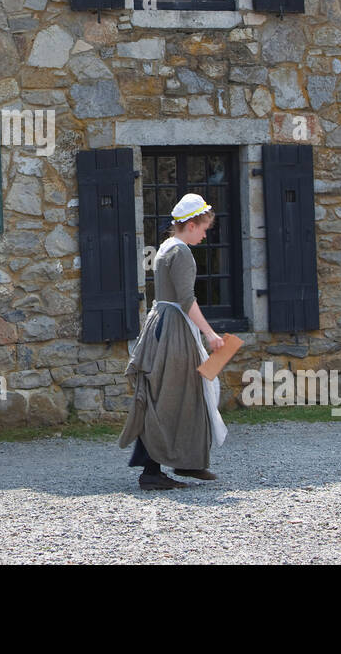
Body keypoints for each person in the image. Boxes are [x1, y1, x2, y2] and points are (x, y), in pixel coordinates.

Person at [118, 193, 229, 490]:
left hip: (165, 324)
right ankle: (152, 471)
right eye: (204, 228)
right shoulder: (179, 252)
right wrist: (210, 333)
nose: (206, 234)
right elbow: (186, 300)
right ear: (191, 225)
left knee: (183, 394)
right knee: (170, 397)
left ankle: (187, 461)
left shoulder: (167, 246)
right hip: (173, 330)